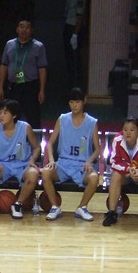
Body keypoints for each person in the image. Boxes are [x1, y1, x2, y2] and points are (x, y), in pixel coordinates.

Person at [41, 87, 100, 221]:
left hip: (82, 165)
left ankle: (82, 207)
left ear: (84, 101)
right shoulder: (62, 119)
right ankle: (55, 207)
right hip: (63, 163)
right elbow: (50, 143)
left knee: (94, 178)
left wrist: (89, 161)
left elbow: (97, 148)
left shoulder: (92, 122)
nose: (74, 105)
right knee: (45, 172)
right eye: (72, 102)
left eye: (77, 102)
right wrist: (51, 160)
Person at [0, 99, 41, 220]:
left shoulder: (25, 127)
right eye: (0, 112)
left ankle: (18, 204)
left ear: (14, 115)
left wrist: (32, 160)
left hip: (22, 165)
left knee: (33, 174)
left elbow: (37, 147)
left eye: (5, 113)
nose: (1, 115)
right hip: (3, 165)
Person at [103, 116, 138, 228]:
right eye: (125, 129)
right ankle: (112, 213)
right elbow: (113, 162)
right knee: (116, 175)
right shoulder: (117, 140)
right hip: (124, 172)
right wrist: (128, 169)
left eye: (132, 130)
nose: (128, 133)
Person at [0, 18, 47, 130]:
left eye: (27, 27)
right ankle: (11, 143)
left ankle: (35, 145)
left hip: (30, 86)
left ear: (32, 30)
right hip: (13, 86)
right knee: (11, 116)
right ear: (17, 29)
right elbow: (4, 65)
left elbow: (42, 69)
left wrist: (42, 90)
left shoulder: (38, 46)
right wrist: (0, 87)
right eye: (21, 27)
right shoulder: (9, 44)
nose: (24, 30)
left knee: (33, 117)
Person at [63, 0, 86, 90]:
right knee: (69, 60)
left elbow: (80, 16)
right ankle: (70, 86)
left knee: (75, 60)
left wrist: (75, 35)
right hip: (68, 27)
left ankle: (76, 87)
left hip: (74, 29)